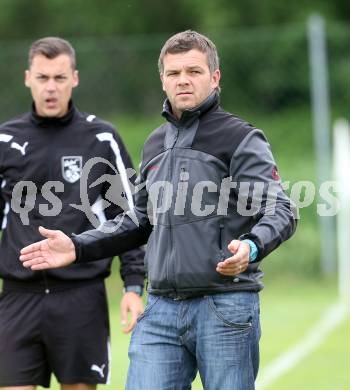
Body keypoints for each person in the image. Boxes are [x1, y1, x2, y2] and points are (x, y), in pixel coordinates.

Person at [20, 31, 297, 390]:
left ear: (215, 78)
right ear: (163, 80)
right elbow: (138, 219)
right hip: (161, 309)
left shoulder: (240, 138)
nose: (183, 79)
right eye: (174, 72)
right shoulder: (155, 143)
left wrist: (252, 245)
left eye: (194, 71)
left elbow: (280, 209)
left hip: (225, 305)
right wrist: (78, 246)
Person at [0, 37, 145, 390]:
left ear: (74, 79)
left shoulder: (101, 138)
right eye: (43, 77)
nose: (51, 87)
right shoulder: (4, 140)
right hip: (18, 296)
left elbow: (130, 216)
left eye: (60, 78)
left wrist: (133, 285)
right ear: (27, 78)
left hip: (81, 298)